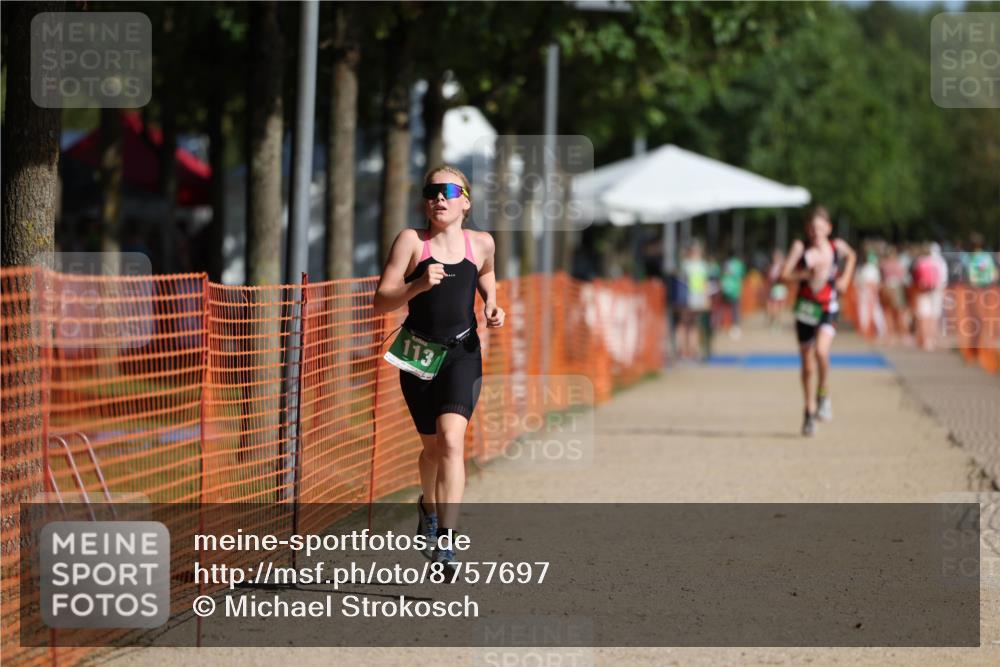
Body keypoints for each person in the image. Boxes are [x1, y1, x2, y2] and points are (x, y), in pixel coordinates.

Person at [373, 165, 505, 570]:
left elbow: (486, 273)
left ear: (466, 201)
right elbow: (381, 299)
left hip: (462, 352)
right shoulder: (412, 242)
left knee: (451, 441)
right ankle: (427, 509)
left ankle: (447, 538)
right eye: (431, 191)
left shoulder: (481, 243)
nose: (439, 198)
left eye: (448, 190)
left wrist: (492, 303)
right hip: (417, 354)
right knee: (430, 448)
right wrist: (416, 286)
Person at [781, 206, 856, 437]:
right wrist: (804, 275)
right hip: (806, 308)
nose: (816, 232)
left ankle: (823, 394)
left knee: (822, 352)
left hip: (827, 307)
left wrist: (845, 278)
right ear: (808, 229)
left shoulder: (836, 246)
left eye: (820, 228)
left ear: (829, 228)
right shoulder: (800, 247)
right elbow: (784, 275)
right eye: (812, 228)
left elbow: (852, 256)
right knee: (806, 364)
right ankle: (809, 409)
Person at [720, 253, 746, 339]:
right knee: (735, 310)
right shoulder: (739, 265)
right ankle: (734, 327)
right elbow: (741, 276)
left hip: (726, 289)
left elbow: (723, 274)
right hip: (735, 290)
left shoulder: (727, 263)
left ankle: (722, 325)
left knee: (724, 309)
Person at [766, 249, 788, 330]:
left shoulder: (783, 266)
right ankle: (773, 322)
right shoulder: (771, 266)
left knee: (780, 308)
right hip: (774, 288)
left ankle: (778, 324)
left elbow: (785, 277)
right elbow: (769, 278)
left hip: (781, 288)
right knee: (772, 307)